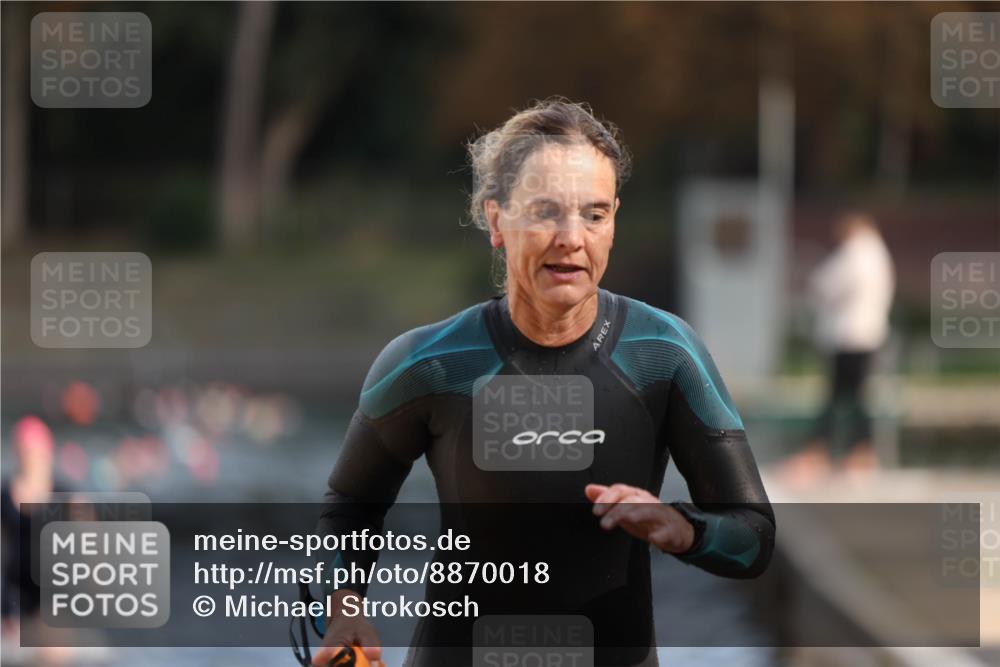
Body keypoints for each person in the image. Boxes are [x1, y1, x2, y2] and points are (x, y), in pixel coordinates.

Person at [311, 98, 775, 667]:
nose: (571, 237)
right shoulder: (427, 363)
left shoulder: (663, 354)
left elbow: (753, 537)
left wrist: (681, 527)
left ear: (614, 222)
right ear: (496, 220)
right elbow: (351, 505)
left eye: (594, 214)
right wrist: (343, 605)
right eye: (546, 212)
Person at [781, 212, 895, 483]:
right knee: (854, 397)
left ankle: (821, 452)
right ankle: (858, 452)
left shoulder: (858, 252)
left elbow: (827, 283)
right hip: (867, 336)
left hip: (849, 337)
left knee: (838, 397)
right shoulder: (878, 254)